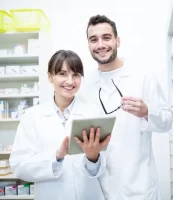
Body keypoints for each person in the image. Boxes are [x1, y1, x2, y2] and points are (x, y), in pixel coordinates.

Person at [78, 15, 173, 200]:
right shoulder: (84, 84)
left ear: (117, 40)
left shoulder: (142, 76)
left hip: (138, 186)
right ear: (88, 45)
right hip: (98, 185)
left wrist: (147, 113)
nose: (100, 44)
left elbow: (167, 122)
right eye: (93, 39)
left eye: (106, 37)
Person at [9, 50, 110, 200]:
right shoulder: (32, 116)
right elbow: (19, 166)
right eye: (62, 74)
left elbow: (102, 168)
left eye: (76, 75)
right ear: (50, 77)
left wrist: (92, 158)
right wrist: (56, 157)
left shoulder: (93, 113)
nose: (70, 81)